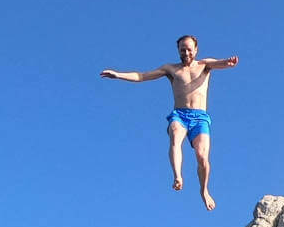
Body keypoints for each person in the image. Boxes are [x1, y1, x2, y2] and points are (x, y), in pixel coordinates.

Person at [100, 35, 239, 211]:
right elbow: (142, 76)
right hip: (179, 115)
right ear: (178, 51)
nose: (186, 52)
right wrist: (118, 75)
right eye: (182, 49)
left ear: (196, 50)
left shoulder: (205, 65)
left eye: (189, 49)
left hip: (200, 117)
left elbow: (220, 62)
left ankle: (204, 190)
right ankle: (178, 176)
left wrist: (228, 62)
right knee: (174, 133)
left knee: (202, 157)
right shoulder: (171, 69)